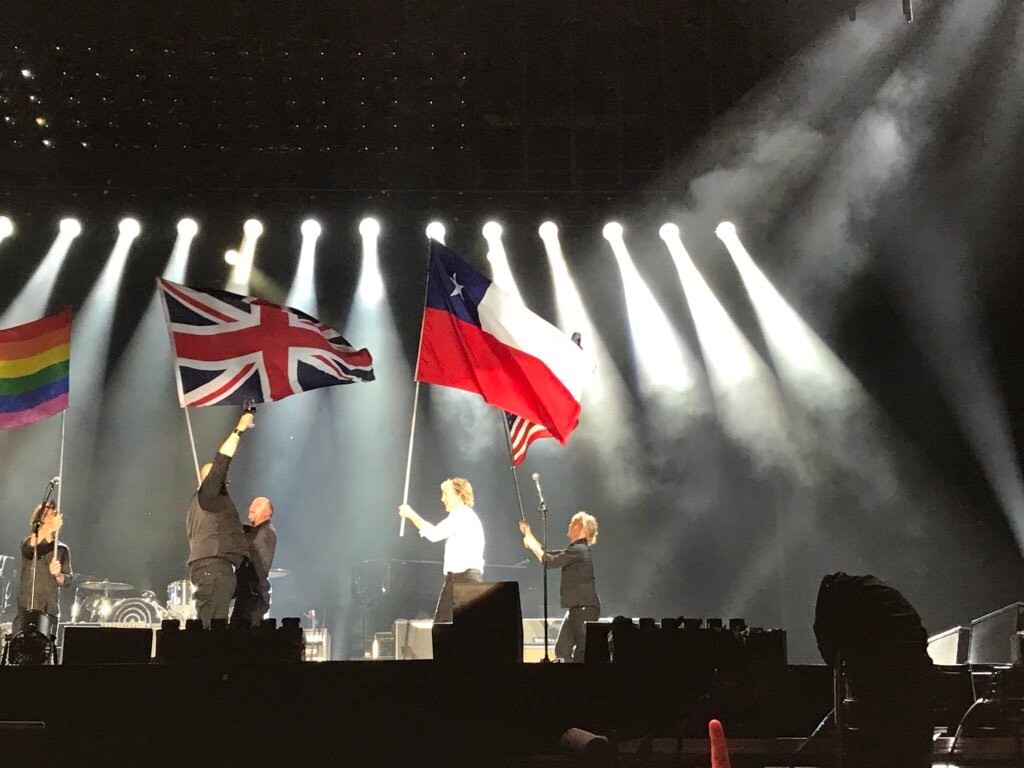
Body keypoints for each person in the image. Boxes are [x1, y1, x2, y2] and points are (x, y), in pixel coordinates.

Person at [186, 410, 253, 625]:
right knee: (212, 629)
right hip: (213, 571)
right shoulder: (209, 495)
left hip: (212, 571)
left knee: (214, 627)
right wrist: (240, 427)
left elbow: (220, 530)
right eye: (222, 478)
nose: (226, 481)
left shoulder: (205, 506)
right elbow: (222, 460)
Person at [398, 477, 485, 624]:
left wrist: (410, 514)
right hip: (462, 580)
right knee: (447, 629)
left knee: (447, 629)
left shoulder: (461, 515)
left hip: (464, 580)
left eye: (446, 494)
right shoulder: (465, 516)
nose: (442, 499)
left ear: (459, 494)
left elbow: (434, 534)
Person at [519, 511, 600, 663]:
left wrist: (531, 543)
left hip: (584, 609)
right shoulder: (576, 550)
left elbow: (549, 561)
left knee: (582, 652)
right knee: (562, 649)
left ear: (579, 526)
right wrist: (529, 537)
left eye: (571, 523)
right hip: (576, 609)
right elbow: (548, 555)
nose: (568, 526)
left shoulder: (579, 550)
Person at [16, 502, 73, 625]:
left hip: (50, 607)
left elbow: (68, 579)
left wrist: (58, 575)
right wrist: (50, 527)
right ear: (38, 520)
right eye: (46, 515)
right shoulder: (30, 542)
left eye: (52, 514)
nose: (49, 517)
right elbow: (28, 549)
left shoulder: (62, 549)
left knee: (49, 643)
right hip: (29, 605)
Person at [230, 496, 277, 627]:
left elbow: (249, 547)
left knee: (242, 633)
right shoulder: (256, 532)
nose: (251, 507)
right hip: (248, 595)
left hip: (254, 597)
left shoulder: (267, 532)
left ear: (267, 511)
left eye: (256, 505)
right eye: (251, 504)